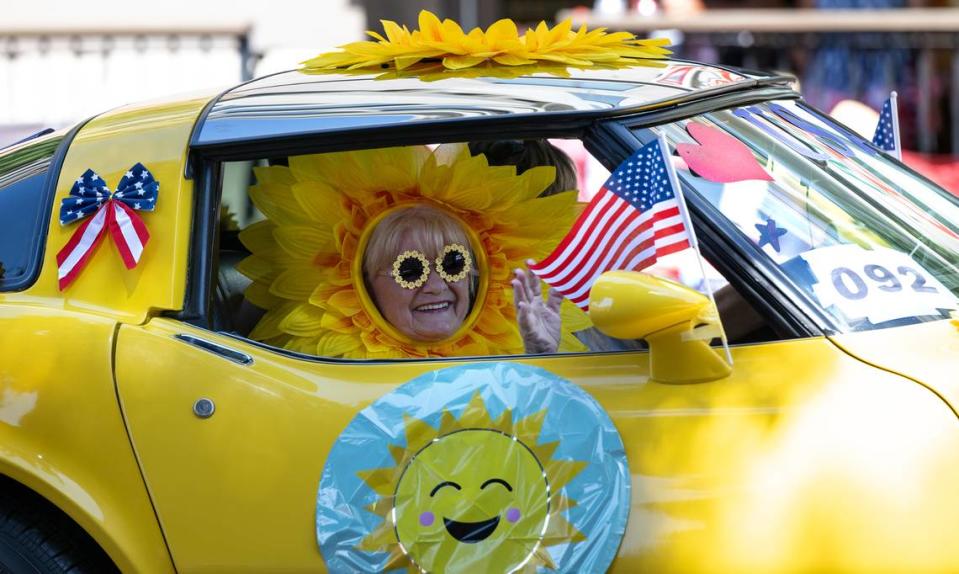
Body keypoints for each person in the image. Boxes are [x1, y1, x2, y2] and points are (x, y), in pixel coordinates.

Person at [363, 204, 563, 354]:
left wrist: (541, 356)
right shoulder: (338, 377)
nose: (437, 286)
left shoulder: (504, 362)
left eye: (453, 263)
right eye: (410, 271)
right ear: (367, 286)